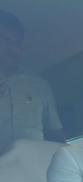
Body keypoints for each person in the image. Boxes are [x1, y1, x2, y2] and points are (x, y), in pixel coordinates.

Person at [0, 12, 64, 154]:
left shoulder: (39, 85)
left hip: (33, 170)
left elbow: (55, 134)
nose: (12, 48)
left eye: (17, 43)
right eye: (6, 41)